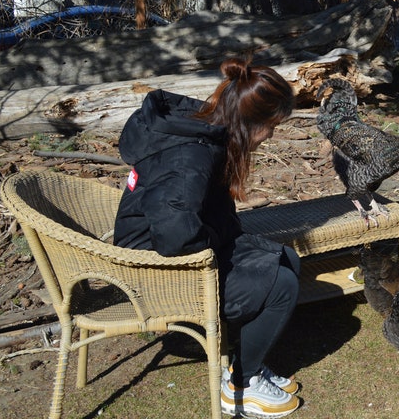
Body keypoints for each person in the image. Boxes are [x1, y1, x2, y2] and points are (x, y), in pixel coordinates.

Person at [113, 58, 301, 418]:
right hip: (155, 270)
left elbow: (191, 217)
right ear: (250, 122)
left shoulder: (211, 131)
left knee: (286, 260)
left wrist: (221, 237)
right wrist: (217, 242)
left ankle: (249, 363)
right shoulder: (191, 154)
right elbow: (174, 237)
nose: (272, 137)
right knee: (280, 285)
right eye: (272, 127)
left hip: (180, 248)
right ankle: (240, 387)